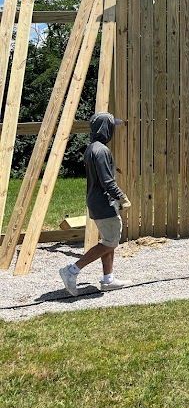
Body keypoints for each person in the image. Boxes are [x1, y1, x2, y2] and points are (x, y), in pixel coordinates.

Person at [59, 112, 131, 296]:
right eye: (111, 126)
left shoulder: (92, 148)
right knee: (110, 242)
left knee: (108, 240)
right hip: (104, 202)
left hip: (96, 201)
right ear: (105, 128)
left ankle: (108, 279)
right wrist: (122, 197)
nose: (113, 129)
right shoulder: (101, 151)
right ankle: (72, 270)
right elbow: (107, 181)